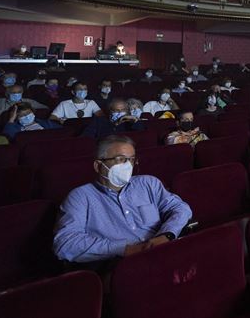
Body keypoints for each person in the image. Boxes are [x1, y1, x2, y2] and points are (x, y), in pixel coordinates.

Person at [52, 135, 192, 264]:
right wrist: (125, 249)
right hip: (120, 263)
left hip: (163, 250)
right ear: (98, 165)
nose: (127, 165)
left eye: (131, 159)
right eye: (120, 159)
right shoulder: (80, 197)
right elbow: (65, 243)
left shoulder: (148, 183)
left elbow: (180, 208)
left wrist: (166, 234)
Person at [81, 99, 146, 139]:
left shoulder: (130, 122)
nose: (120, 112)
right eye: (116, 110)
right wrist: (116, 124)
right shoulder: (98, 121)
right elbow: (86, 139)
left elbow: (142, 137)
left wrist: (135, 121)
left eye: (123, 110)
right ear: (110, 111)